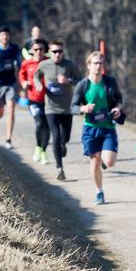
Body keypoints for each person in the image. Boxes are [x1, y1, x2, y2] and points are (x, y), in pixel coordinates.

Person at [71, 51, 125, 205]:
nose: (98, 66)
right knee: (95, 162)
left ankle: (103, 160)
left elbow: (119, 99)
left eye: (101, 63)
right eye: (95, 63)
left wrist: (118, 109)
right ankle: (99, 192)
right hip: (90, 128)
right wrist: (84, 108)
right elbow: (73, 107)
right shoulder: (83, 85)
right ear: (89, 65)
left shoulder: (110, 82)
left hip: (108, 127)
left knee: (110, 162)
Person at [33, 40, 81, 181]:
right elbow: (36, 76)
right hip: (50, 108)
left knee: (65, 137)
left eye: (60, 51)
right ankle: (60, 169)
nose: (57, 54)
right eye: (54, 51)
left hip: (66, 108)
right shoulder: (44, 65)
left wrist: (68, 81)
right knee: (56, 135)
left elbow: (80, 80)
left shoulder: (69, 65)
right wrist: (38, 85)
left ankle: (63, 145)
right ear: (49, 52)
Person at [19, 38, 49, 165]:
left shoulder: (49, 62)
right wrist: (24, 82)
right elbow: (22, 75)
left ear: (44, 50)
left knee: (47, 128)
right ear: (31, 50)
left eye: (41, 49)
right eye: (35, 49)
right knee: (39, 123)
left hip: (48, 101)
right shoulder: (27, 63)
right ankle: (38, 147)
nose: (38, 52)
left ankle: (43, 151)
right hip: (33, 100)